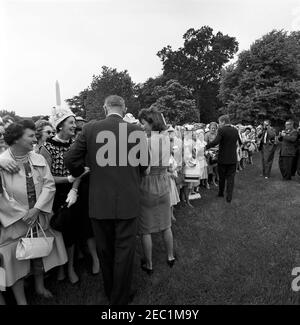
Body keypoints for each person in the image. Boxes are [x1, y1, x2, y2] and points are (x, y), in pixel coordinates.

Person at [64, 95, 149, 305]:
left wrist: (81, 171)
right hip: (128, 199)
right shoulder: (136, 130)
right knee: (124, 251)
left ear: (104, 108)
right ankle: (119, 298)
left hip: (100, 201)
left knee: (105, 251)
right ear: (124, 108)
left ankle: (113, 294)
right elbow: (144, 166)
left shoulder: (90, 128)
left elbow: (70, 158)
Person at [0, 120, 67, 304]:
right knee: (17, 263)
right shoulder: (3, 163)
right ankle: (22, 301)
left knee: (38, 255)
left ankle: (39, 286)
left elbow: (49, 183)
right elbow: (2, 197)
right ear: (16, 140)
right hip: (15, 221)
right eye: (30, 136)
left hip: (38, 215)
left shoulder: (37, 158)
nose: (34, 138)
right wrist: (23, 214)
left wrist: (37, 209)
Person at [40, 107, 99, 284]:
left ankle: (86, 262)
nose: (75, 126)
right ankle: (65, 268)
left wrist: (74, 188)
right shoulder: (47, 147)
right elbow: (46, 178)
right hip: (57, 193)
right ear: (59, 126)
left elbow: (79, 171)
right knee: (65, 232)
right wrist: (67, 179)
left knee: (84, 227)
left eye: (74, 123)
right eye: (71, 123)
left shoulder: (76, 144)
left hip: (77, 190)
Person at [138, 108, 176, 275]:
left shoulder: (145, 142)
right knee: (166, 225)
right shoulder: (166, 138)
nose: (142, 126)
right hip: (163, 182)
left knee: (145, 229)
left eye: (143, 123)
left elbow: (144, 170)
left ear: (151, 122)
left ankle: (149, 264)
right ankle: (170, 256)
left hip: (148, 184)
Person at [206, 115, 241, 203]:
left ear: (223, 122)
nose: (219, 124)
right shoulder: (235, 130)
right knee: (231, 178)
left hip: (223, 158)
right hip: (233, 158)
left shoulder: (222, 130)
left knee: (222, 177)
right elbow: (239, 142)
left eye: (219, 122)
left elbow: (216, 142)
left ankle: (221, 193)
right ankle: (229, 197)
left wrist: (206, 146)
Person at [205, 122, 219, 186]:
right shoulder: (207, 135)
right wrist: (211, 150)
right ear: (209, 128)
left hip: (216, 153)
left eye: (214, 128)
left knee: (215, 168)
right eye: (212, 128)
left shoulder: (217, 134)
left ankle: (213, 181)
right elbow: (205, 145)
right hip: (209, 153)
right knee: (209, 169)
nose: (213, 129)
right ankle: (207, 182)